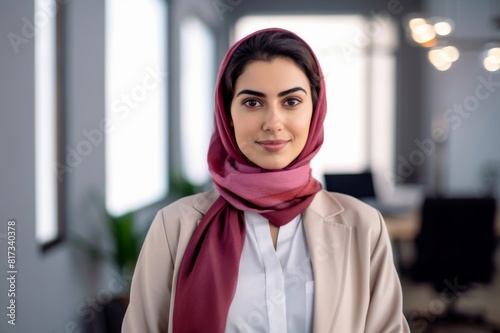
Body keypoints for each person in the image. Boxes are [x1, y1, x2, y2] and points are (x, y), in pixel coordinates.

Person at [122, 27, 410, 333]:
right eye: (252, 103)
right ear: (227, 114)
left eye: (291, 102)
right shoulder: (174, 226)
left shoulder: (364, 226)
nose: (273, 123)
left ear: (315, 112)